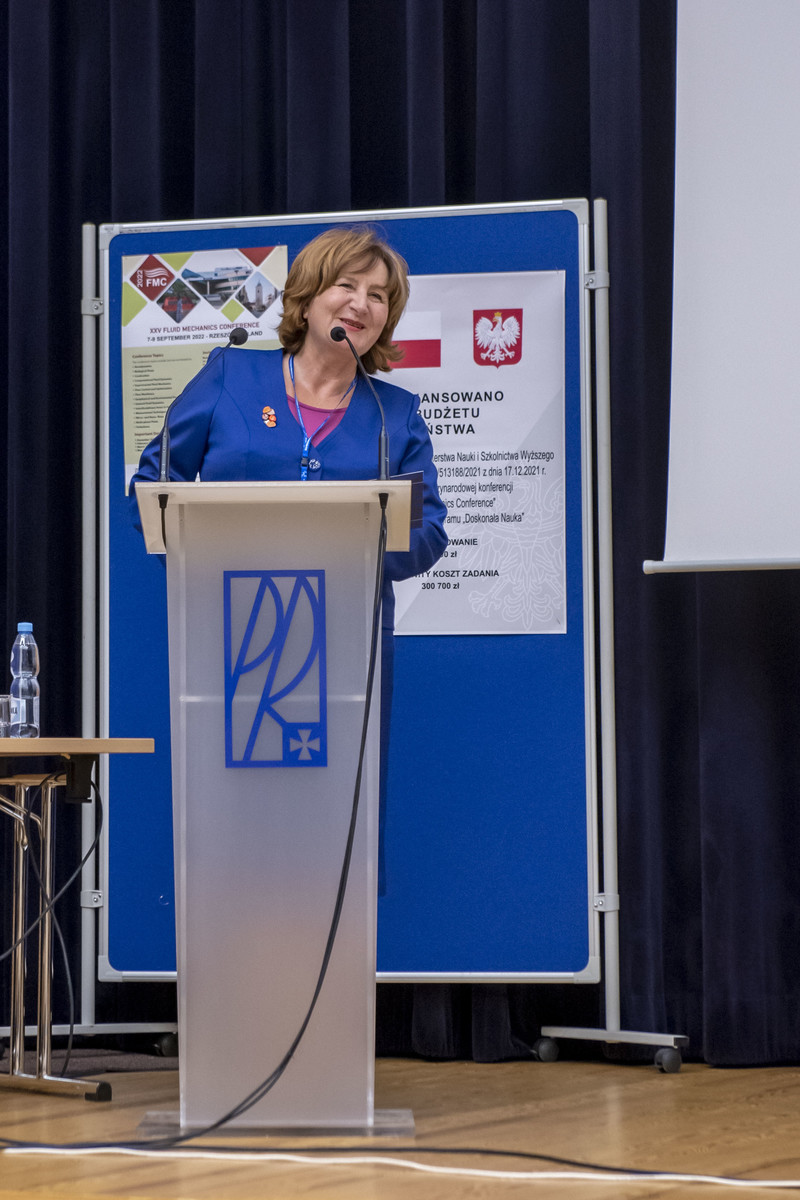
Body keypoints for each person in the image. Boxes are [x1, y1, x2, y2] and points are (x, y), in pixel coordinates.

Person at [130, 225, 448, 889]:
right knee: (236, 830)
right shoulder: (231, 375)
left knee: (332, 837)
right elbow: (153, 486)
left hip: (345, 647)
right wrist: (198, 567)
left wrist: (350, 548)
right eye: (346, 285)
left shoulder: (395, 415)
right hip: (230, 634)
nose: (361, 303)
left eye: (379, 296)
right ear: (308, 296)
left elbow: (428, 532)